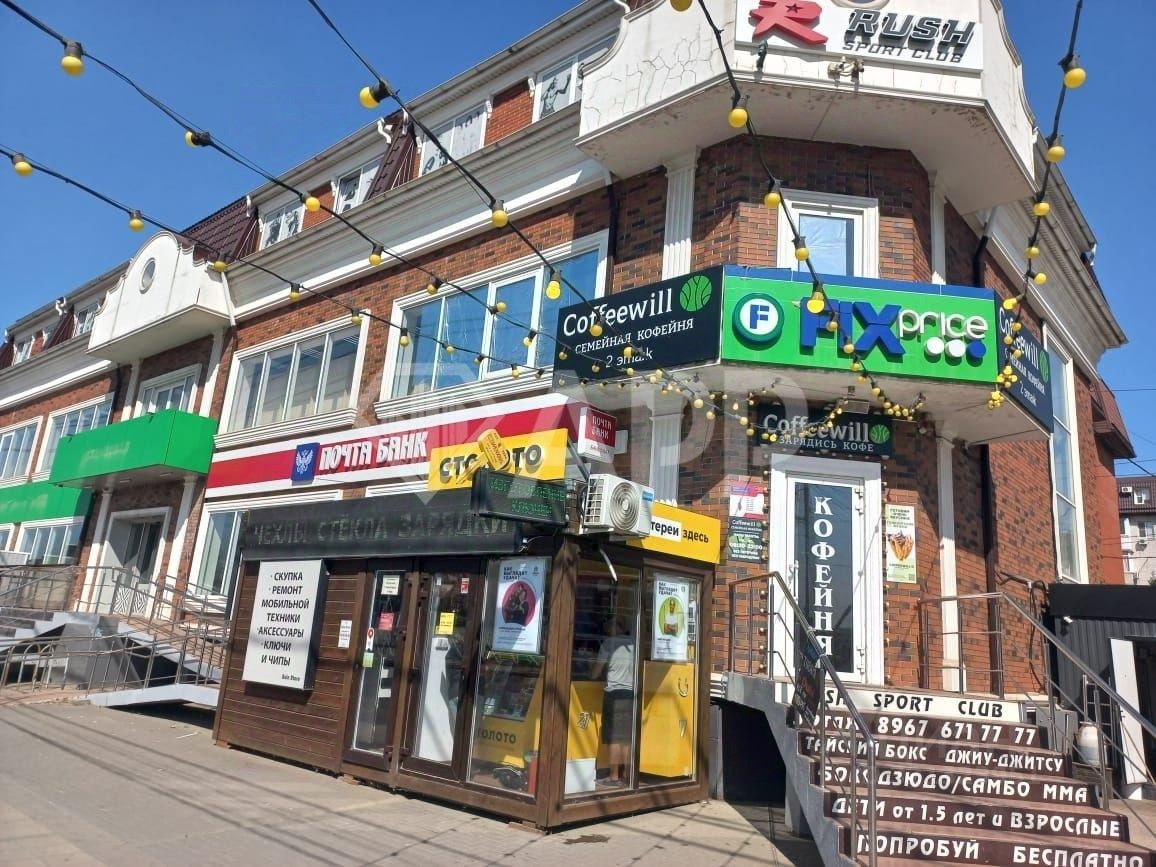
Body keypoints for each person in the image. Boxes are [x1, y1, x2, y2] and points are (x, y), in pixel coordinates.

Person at [592, 612, 635, 786]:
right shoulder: (634, 642)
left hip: (614, 694)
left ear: (614, 627)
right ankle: (627, 776)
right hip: (631, 694)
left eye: (608, 627)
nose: (606, 630)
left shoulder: (609, 644)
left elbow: (595, 673)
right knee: (626, 738)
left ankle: (614, 776)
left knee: (615, 738)